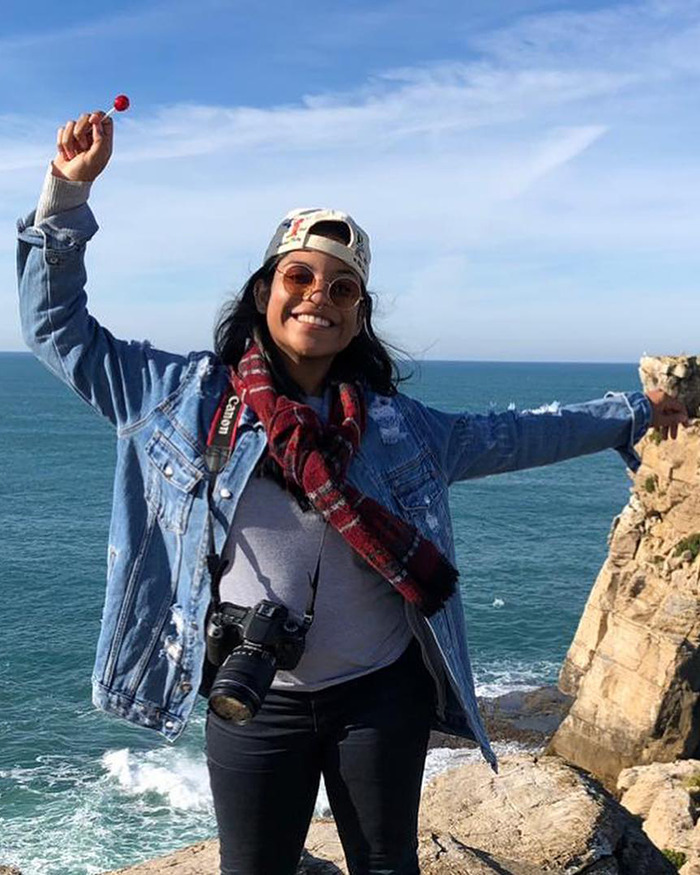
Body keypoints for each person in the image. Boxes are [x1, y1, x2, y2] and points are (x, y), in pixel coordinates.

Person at [17, 110, 688, 875]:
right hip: (255, 696)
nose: (319, 297)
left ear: (359, 314)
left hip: (380, 695)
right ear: (264, 291)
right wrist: (66, 193)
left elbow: (515, 433)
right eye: (299, 277)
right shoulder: (179, 397)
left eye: (343, 288)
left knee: (387, 866)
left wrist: (633, 411)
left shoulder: (399, 429)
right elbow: (55, 329)